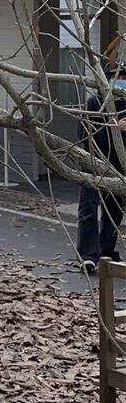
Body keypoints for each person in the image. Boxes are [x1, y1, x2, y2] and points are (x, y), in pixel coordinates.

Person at [76, 61, 126, 274]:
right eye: (115, 77)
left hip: (118, 167)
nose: (120, 81)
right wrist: (114, 128)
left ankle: (106, 250)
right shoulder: (94, 103)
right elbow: (85, 137)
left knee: (114, 210)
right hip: (93, 163)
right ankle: (89, 255)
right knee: (89, 208)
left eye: (123, 77)